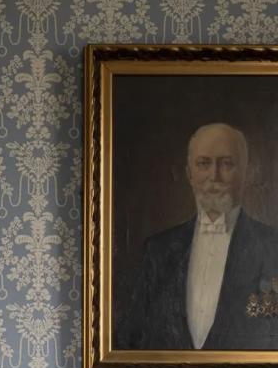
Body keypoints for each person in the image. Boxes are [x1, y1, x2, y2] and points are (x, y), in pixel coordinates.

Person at [117, 122, 278, 351]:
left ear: (247, 172)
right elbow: (130, 338)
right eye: (204, 163)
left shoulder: (273, 246)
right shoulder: (158, 250)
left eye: (227, 164)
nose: (214, 176)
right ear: (189, 173)